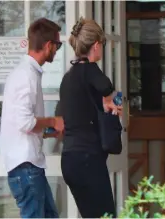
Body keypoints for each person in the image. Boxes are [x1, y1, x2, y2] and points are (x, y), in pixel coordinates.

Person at [59, 17, 123, 218]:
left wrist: (103, 104)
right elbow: (106, 87)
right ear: (96, 45)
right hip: (88, 158)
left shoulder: (68, 77)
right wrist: (111, 102)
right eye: (102, 44)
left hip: (69, 158)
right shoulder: (90, 69)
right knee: (105, 215)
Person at [0, 18, 64, 218]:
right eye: (58, 45)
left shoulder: (29, 73)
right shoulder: (25, 76)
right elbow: (25, 122)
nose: (57, 50)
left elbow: (24, 124)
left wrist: (48, 132)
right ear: (47, 46)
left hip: (29, 165)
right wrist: (53, 121)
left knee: (50, 215)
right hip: (25, 167)